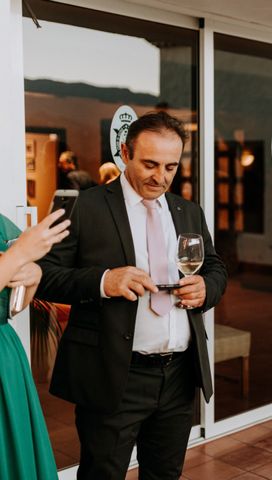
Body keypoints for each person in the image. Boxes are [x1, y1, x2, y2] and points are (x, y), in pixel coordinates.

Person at [37, 112, 228, 479]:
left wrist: (206, 288)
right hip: (114, 374)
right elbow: (43, 276)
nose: (161, 176)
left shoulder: (187, 211)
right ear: (125, 152)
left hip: (178, 376)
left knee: (164, 474)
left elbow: (216, 267)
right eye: (150, 164)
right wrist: (103, 280)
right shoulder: (84, 206)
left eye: (171, 166)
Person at [0, 209, 70, 479]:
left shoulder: (2, 225)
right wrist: (19, 255)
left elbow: (14, 307)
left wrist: (32, 276)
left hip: (5, 354)